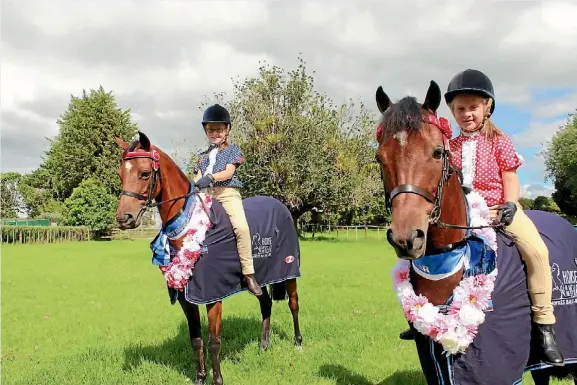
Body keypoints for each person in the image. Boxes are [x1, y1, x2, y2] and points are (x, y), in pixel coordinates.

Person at [399, 69, 564, 366]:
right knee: (415, 251)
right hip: (462, 216)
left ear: (487, 107)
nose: (466, 114)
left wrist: (511, 204)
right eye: (460, 109)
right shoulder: (451, 146)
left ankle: (544, 324)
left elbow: (510, 177)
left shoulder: (500, 141)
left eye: (473, 107)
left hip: (497, 210)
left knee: (537, 251)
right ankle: (419, 317)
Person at [192, 103, 262, 296]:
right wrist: (193, 184)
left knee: (242, 228)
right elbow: (197, 177)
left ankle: (248, 273)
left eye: (219, 129)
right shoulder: (202, 156)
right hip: (206, 195)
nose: (215, 133)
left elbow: (229, 172)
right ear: (206, 131)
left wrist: (212, 177)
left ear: (227, 130)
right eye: (211, 130)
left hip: (227, 193)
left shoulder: (233, 151)